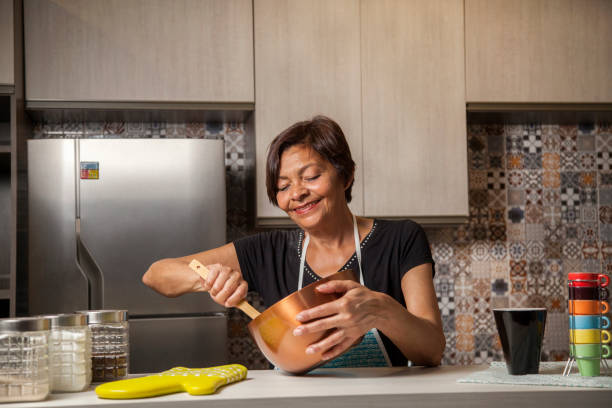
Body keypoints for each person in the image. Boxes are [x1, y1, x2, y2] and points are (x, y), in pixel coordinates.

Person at [142, 115, 445, 367]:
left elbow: (431, 350)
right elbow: (156, 275)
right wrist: (210, 279)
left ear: (347, 176)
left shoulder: (401, 238)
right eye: (283, 186)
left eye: (311, 177)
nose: (296, 193)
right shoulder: (268, 251)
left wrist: (381, 310)